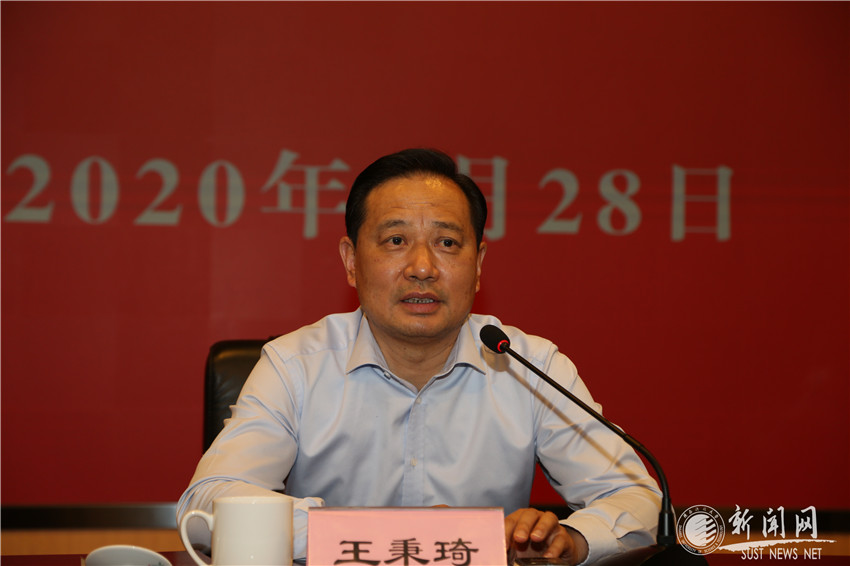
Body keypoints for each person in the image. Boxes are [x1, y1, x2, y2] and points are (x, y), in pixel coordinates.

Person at [177, 148, 661, 565]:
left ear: (478, 265)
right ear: (351, 261)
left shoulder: (529, 366)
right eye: (396, 241)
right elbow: (207, 504)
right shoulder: (295, 365)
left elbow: (637, 498)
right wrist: (389, 533)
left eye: (447, 243)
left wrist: (573, 540)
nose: (423, 268)